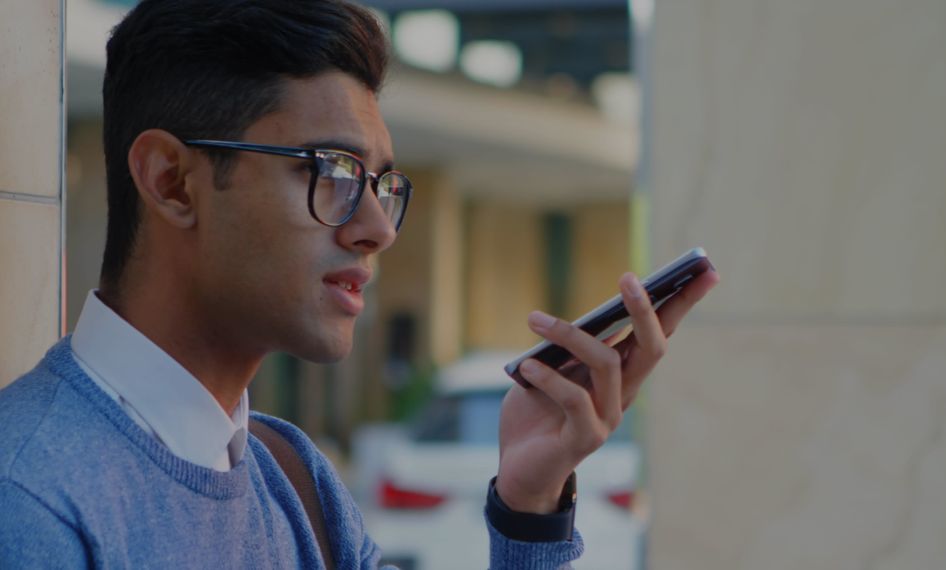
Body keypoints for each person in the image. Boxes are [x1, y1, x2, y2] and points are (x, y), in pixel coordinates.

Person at [0, 0, 719, 568]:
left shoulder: (294, 479)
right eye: (332, 171)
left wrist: (529, 506)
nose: (378, 226)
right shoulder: (31, 498)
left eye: (381, 183)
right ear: (172, 182)